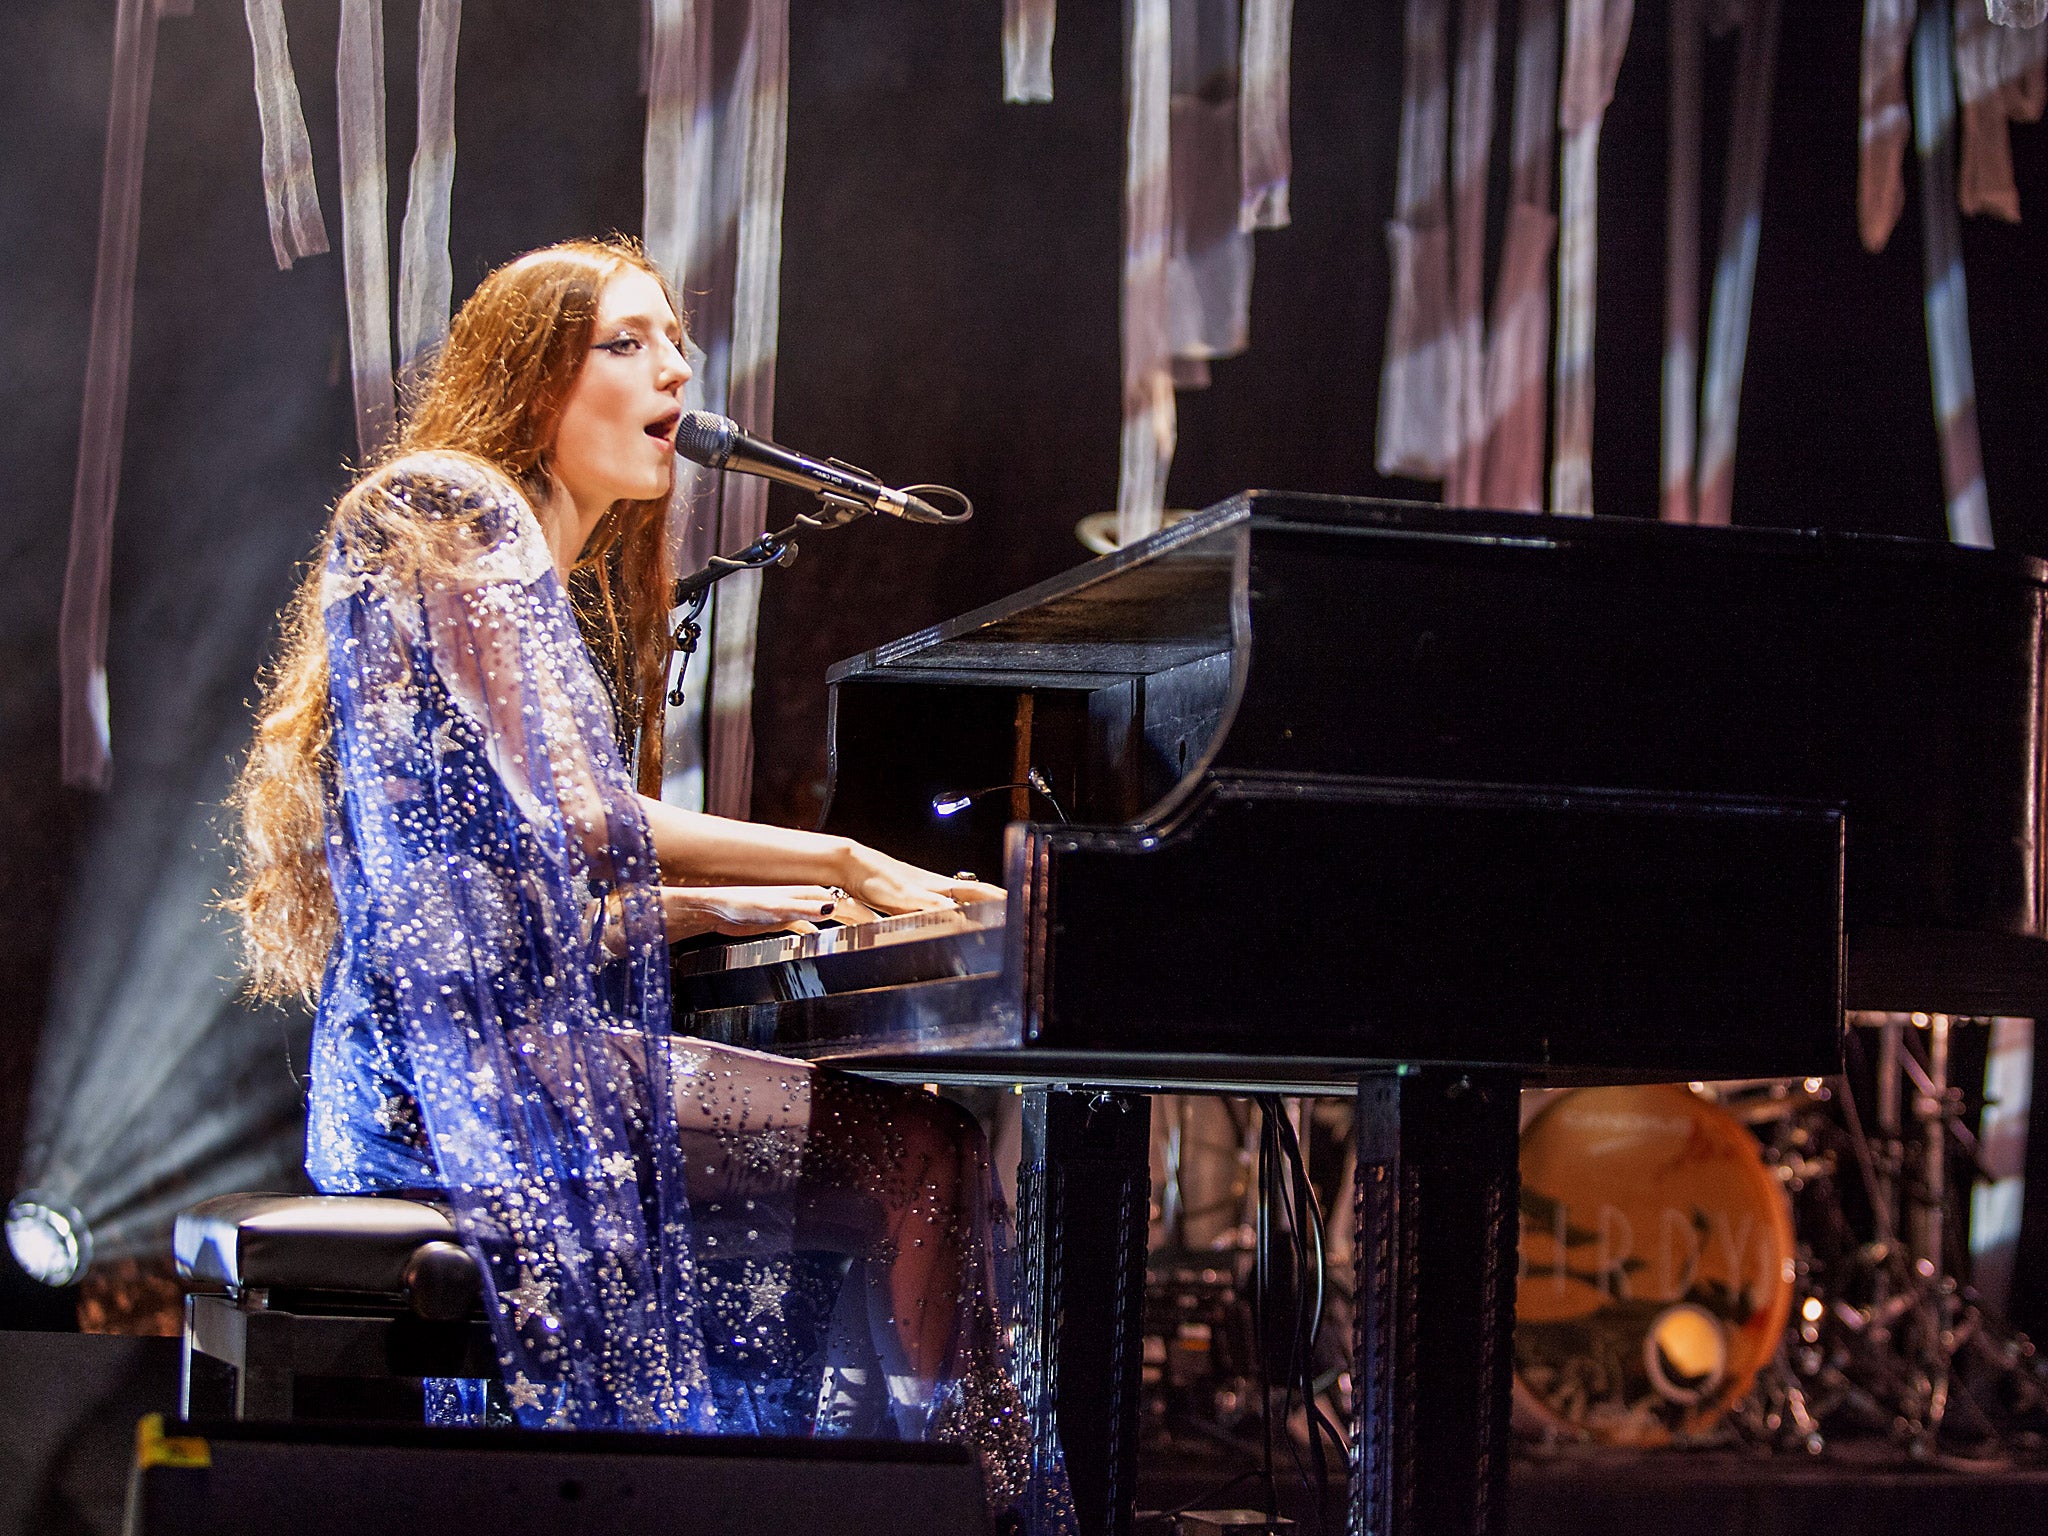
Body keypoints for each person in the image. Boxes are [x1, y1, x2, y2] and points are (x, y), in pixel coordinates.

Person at [229, 237, 1067, 1530]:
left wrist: (740, 908)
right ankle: (981, 1512)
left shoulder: (509, 565)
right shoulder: (459, 512)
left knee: (894, 1156)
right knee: (924, 1152)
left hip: (434, 1073)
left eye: (675, 338)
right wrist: (847, 861)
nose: (675, 368)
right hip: (467, 1091)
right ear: (529, 379)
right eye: (624, 342)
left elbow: (514, 887)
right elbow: (579, 821)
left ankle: (833, 1495)